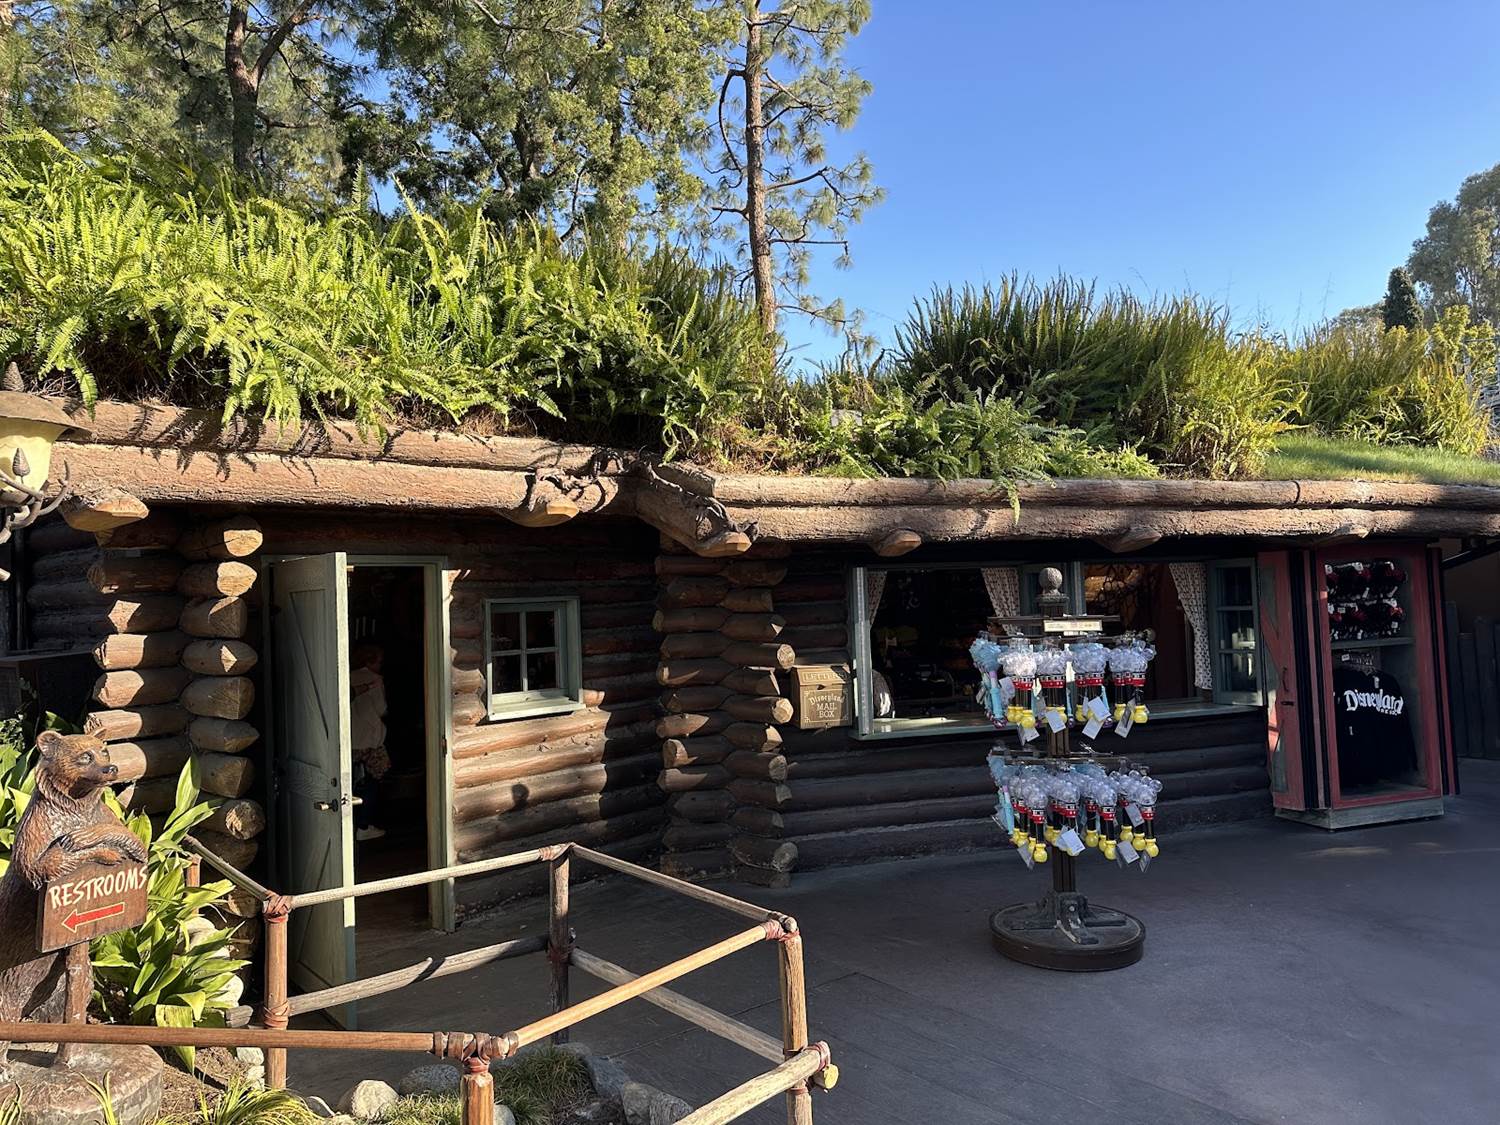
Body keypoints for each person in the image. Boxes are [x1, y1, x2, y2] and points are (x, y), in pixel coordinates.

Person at [350, 641, 390, 841]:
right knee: (373, 782)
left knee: (353, 782)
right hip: (370, 738)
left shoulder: (348, 676)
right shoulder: (375, 680)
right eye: (379, 661)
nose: (381, 665)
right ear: (369, 661)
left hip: (353, 739)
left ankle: (352, 823)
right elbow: (381, 708)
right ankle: (364, 825)